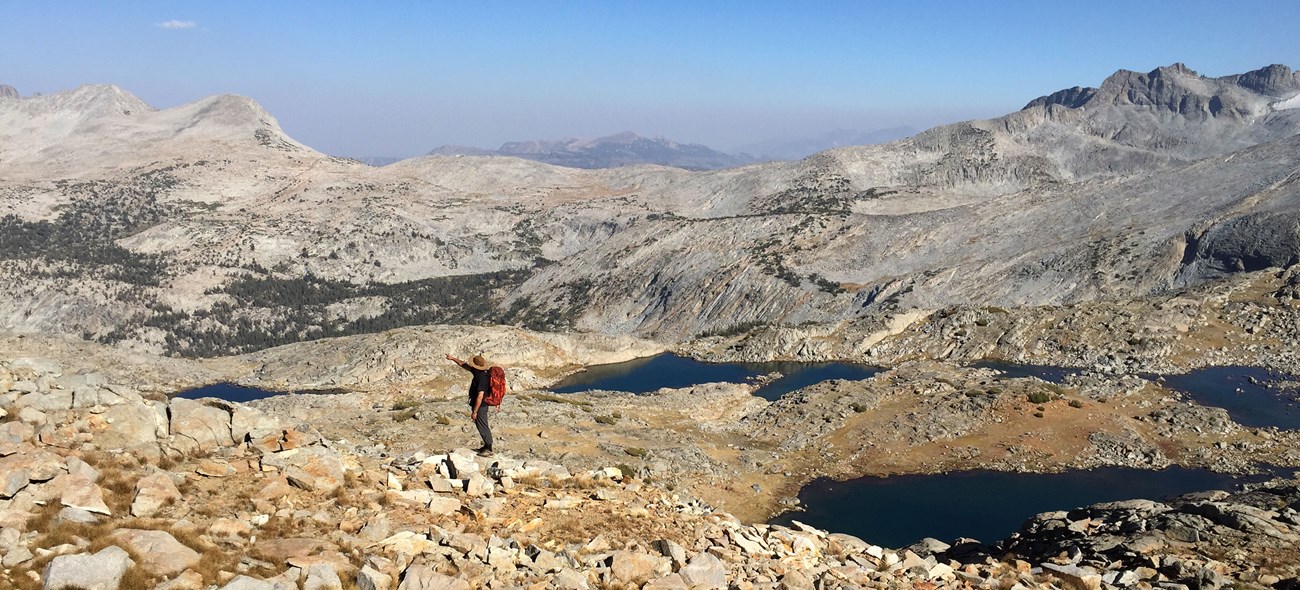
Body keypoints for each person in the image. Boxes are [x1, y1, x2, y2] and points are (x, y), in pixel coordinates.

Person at [446, 353, 494, 456]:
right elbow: (464, 365)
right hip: (481, 405)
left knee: (482, 425)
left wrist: (475, 411)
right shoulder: (479, 372)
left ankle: (489, 448)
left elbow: (480, 396)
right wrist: (453, 358)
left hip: (481, 405)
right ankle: (486, 446)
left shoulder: (481, 377)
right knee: (481, 424)